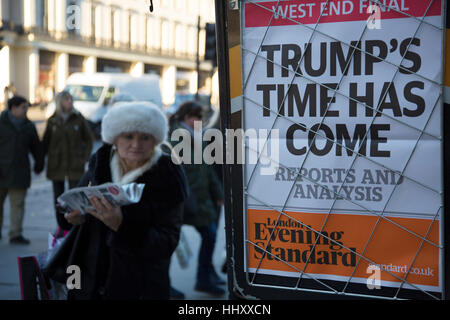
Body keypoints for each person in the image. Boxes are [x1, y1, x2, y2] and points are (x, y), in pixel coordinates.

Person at [44, 101, 188, 300]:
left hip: (140, 287)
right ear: (115, 138)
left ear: (155, 140)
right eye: (128, 136)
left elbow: (167, 242)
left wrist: (122, 225)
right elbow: (69, 206)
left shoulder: (167, 175)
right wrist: (72, 217)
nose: (136, 145)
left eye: (145, 137)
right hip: (89, 283)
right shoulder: (99, 166)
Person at [169, 100, 225, 296]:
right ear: (187, 118)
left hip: (199, 201)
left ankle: (204, 278)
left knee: (209, 235)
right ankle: (167, 284)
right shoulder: (175, 138)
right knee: (169, 241)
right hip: (182, 201)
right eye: (198, 117)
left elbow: (207, 168)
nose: (202, 120)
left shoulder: (195, 137)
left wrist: (218, 193)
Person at [43, 91, 94, 234]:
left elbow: (89, 140)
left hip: (74, 165)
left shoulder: (78, 119)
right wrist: (41, 162)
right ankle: (60, 226)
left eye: (71, 99)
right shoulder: (52, 120)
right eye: (67, 100)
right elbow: (45, 143)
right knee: (58, 199)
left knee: (73, 198)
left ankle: (72, 226)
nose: (70, 102)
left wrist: (84, 157)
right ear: (60, 102)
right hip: (56, 165)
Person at [0, 95, 44, 244]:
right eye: (23, 107)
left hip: (19, 172)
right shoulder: (1, 123)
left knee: (17, 204)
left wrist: (39, 164)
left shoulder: (29, 126)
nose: (26, 110)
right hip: (1, 171)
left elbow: (37, 148)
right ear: (13, 108)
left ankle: (15, 234)